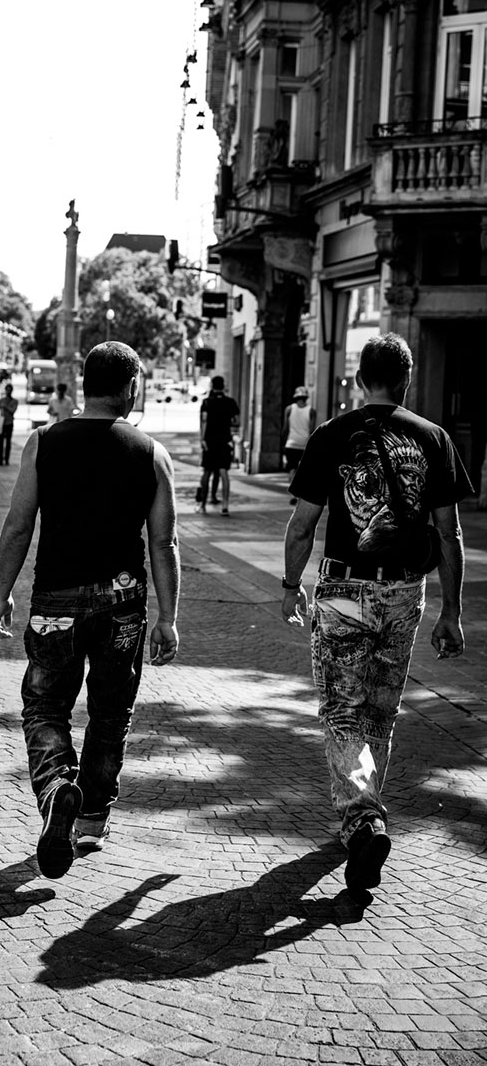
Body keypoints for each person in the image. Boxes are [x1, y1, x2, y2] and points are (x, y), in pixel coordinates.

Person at [281, 333, 472, 901]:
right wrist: (452, 611)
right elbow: (450, 532)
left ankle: (363, 818)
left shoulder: (331, 435)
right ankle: (362, 818)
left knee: (343, 708)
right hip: (404, 593)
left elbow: (302, 525)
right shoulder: (434, 438)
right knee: (380, 712)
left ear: (360, 379)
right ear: (406, 381)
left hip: (342, 589)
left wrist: (292, 585)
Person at [0, 341, 180, 880]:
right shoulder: (150, 453)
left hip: (55, 601)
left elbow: (19, 523)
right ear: (130, 387)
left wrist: (1, 591)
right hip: (123, 607)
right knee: (110, 712)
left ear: (83, 384)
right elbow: (163, 544)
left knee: (46, 706)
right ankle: (92, 817)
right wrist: (167, 617)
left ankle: (56, 789)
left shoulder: (43, 442)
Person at [198, 375, 240, 514]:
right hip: (224, 441)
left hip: (209, 441)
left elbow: (204, 421)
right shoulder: (230, 402)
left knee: (207, 472)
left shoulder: (207, 402)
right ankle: (225, 505)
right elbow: (236, 421)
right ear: (223, 386)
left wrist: (202, 439)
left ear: (212, 386)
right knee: (224, 472)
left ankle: (202, 505)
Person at [282, 385, 316, 504]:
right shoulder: (311, 411)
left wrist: (283, 441)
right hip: (304, 444)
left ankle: (292, 495)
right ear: (306, 397)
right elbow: (312, 430)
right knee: (302, 470)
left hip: (291, 443)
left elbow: (285, 428)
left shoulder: (289, 409)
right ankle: (299, 494)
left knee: (292, 469)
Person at [0, 383, 19, 465]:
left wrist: (5, 407)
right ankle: (0, 459)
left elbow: (13, 411)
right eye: (7, 390)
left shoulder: (15, 401)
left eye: (10, 390)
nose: (8, 392)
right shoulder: (1, 400)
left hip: (9, 423)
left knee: (8, 442)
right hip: (2, 423)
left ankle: (7, 459)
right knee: (0, 442)